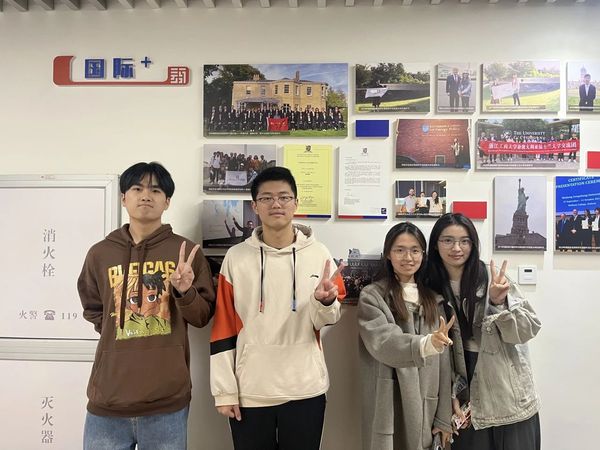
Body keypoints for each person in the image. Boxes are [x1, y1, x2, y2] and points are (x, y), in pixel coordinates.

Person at [78, 162, 216, 450]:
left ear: (167, 201)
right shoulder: (100, 254)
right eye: (137, 188)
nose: (145, 195)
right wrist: (119, 329)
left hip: (167, 402)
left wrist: (184, 292)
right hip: (108, 400)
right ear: (123, 197)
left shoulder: (186, 253)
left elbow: (202, 316)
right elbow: (93, 308)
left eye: (155, 190)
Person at [210, 166, 346, 450]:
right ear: (255, 206)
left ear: (296, 203)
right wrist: (224, 391)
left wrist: (324, 301)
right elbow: (223, 327)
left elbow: (328, 318)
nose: (276, 204)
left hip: (305, 389)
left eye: (284, 197)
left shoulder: (319, 254)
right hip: (250, 391)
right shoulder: (236, 258)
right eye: (267, 198)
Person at [426, 213, 541, 450]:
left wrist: (499, 303)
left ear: (473, 244)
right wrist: (448, 395)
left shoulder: (492, 277)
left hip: (504, 384)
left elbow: (527, 330)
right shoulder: (428, 286)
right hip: (461, 382)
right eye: (447, 240)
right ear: (436, 245)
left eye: (464, 241)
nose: (456, 248)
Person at [358, 222, 454, 450]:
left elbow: (444, 365)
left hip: (426, 404)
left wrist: (443, 417)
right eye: (399, 250)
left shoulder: (434, 301)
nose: (408, 257)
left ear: (423, 255)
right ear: (388, 254)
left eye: (415, 250)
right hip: (388, 400)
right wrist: (426, 344)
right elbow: (383, 342)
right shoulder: (373, 297)